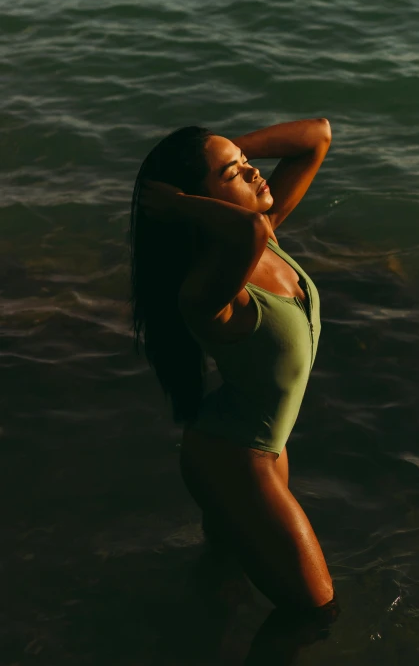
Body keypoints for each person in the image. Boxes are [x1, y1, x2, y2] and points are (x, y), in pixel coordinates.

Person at [129, 119, 339, 621]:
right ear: (198, 203)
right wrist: (177, 202)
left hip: (259, 446)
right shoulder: (210, 285)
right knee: (313, 618)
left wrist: (224, 153)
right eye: (234, 174)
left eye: (248, 165)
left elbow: (317, 136)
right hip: (236, 464)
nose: (254, 172)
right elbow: (247, 227)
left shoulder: (258, 245)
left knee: (223, 576)